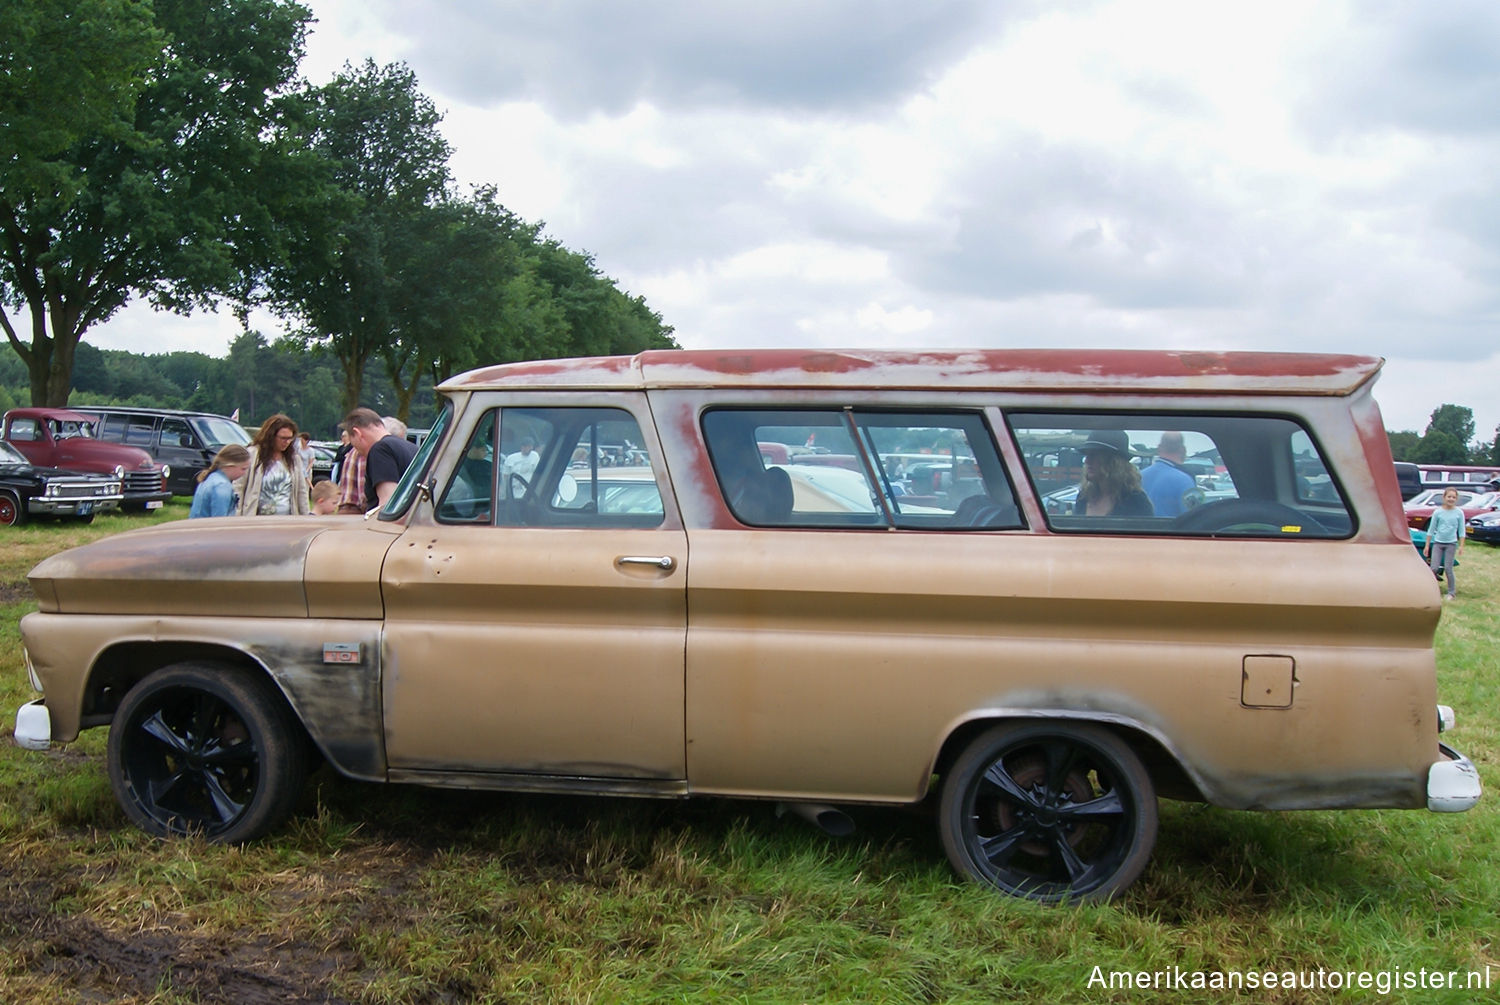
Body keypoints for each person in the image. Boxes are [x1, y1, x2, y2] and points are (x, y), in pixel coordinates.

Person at [235, 414, 310, 516]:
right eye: (283, 438)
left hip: (287, 520)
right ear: (271, 436)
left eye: (290, 438)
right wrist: (237, 517)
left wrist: (305, 518)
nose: (287, 442)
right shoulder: (252, 455)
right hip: (256, 519)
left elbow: (301, 492)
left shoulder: (294, 459)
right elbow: (239, 487)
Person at [345, 407, 418, 509]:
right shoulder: (412, 448)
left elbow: (387, 504)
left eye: (356, 447)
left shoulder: (380, 450)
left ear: (357, 433)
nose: (360, 454)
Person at [1073, 430, 1152, 517]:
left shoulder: (1136, 501)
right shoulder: (1083, 497)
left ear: (1113, 462)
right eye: (1086, 455)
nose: (1087, 461)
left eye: (1094, 455)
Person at [1140, 431, 1198, 517]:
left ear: (1159, 448)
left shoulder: (1139, 476)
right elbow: (1195, 517)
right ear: (1183, 450)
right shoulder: (1185, 480)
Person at [1424, 487, 1465, 601]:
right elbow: (1431, 529)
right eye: (1449, 497)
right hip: (1438, 543)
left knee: (1448, 568)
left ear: (1456, 499)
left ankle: (1451, 592)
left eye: (1453, 497)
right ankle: (1430, 590)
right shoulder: (1438, 512)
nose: (1451, 499)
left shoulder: (1459, 513)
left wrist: (1461, 546)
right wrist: (1427, 545)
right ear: (1444, 498)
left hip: (1451, 544)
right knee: (1434, 568)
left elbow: (1461, 531)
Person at [188, 444, 250, 518]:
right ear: (230, 466)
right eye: (243, 469)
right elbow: (219, 520)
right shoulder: (222, 486)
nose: (244, 473)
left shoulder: (211, 477)